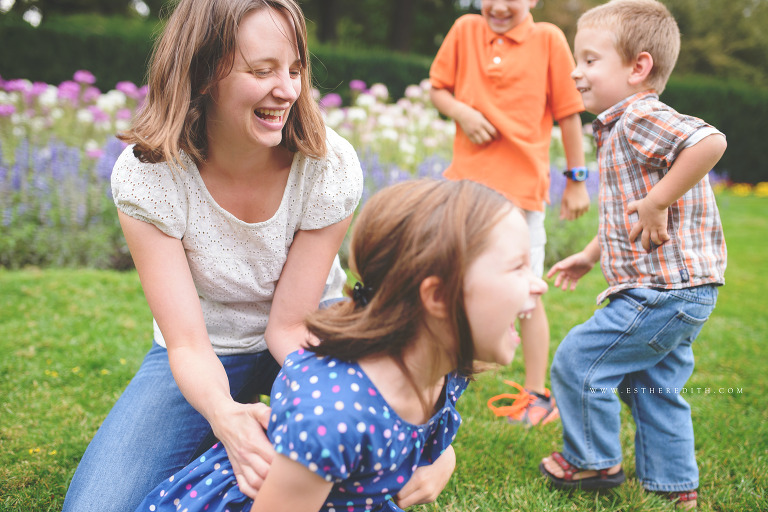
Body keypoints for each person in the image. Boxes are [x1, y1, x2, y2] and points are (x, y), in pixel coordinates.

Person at [61, 1, 368, 511]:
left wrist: (340, 403)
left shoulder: (328, 166)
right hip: (205, 347)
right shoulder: (148, 176)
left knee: (355, 462)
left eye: (295, 70)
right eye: (262, 71)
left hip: (307, 331)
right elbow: (186, 343)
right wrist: (225, 416)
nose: (287, 90)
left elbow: (289, 326)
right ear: (203, 73)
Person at [133, 178, 548, 512]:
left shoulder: (445, 367)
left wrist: (444, 458)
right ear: (437, 298)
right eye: (517, 268)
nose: (539, 285)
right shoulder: (335, 416)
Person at [539, 1, 727, 509]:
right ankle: (673, 483)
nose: (575, 72)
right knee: (652, 384)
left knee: (579, 360)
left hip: (661, 291)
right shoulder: (620, 126)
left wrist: (658, 200)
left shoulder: (639, 115)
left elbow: (710, 141)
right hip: (683, 291)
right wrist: (590, 253)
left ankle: (593, 461)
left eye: (590, 60)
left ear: (638, 67)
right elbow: (628, 211)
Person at [429, 0, 591, 427]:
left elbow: (569, 114)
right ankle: (438, 381)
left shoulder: (549, 39)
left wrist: (576, 180)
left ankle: (537, 394)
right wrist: (462, 112)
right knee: (451, 285)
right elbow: (438, 88)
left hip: (521, 193)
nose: (499, 6)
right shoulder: (465, 30)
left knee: (527, 293)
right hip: (465, 187)